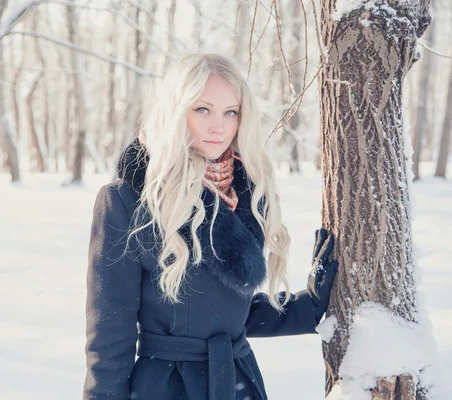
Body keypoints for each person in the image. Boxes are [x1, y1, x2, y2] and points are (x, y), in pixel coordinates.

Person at [83, 53, 338, 400]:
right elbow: (110, 333)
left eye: (230, 112)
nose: (218, 125)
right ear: (176, 111)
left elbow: (228, 313)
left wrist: (305, 309)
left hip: (237, 381)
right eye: (202, 109)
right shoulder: (128, 201)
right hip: (166, 387)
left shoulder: (249, 193)